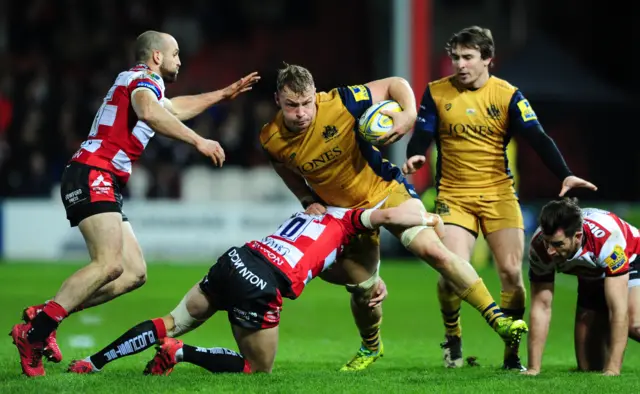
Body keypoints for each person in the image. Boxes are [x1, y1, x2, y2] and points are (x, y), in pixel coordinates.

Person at [9, 30, 259, 377]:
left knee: (133, 273)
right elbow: (149, 112)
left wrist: (222, 94)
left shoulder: (140, 82)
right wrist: (199, 141)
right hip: (93, 172)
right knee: (109, 264)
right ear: (157, 56)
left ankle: (46, 316)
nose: (180, 60)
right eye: (175, 53)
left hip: (101, 177)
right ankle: (35, 335)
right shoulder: (144, 82)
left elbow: (174, 108)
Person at [260, 63, 528, 371]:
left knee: (434, 251)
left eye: (307, 103)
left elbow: (395, 84)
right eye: (292, 105)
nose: (302, 112)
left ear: (316, 96)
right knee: (364, 292)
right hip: (348, 216)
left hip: (386, 191)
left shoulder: (341, 101)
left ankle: (498, 320)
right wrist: (306, 197)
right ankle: (371, 346)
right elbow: (282, 166)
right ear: (278, 99)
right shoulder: (271, 138)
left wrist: (408, 114)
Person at [403, 26, 597, 370]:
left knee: (510, 273)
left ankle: (512, 355)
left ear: (488, 59)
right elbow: (423, 132)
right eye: (455, 58)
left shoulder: (508, 95)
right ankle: (453, 340)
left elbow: (537, 136)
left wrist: (564, 172)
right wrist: (416, 153)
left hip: (499, 195)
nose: (459, 65)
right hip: (454, 196)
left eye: (467, 57)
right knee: (451, 274)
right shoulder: (436, 92)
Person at [68, 204, 441, 374]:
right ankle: (182, 354)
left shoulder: (311, 211)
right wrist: (428, 216)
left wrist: (371, 280)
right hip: (262, 283)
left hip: (236, 259)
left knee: (172, 319)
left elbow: (323, 264)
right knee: (258, 368)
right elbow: (391, 215)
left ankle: (93, 363)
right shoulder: (348, 222)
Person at [524, 198, 640, 376]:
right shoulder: (539, 247)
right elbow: (541, 306)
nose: (550, 251)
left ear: (577, 237)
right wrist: (533, 368)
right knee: (588, 367)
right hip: (590, 274)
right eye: (547, 242)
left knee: (634, 324)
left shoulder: (607, 240)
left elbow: (618, 310)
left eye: (557, 244)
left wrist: (612, 370)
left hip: (632, 257)